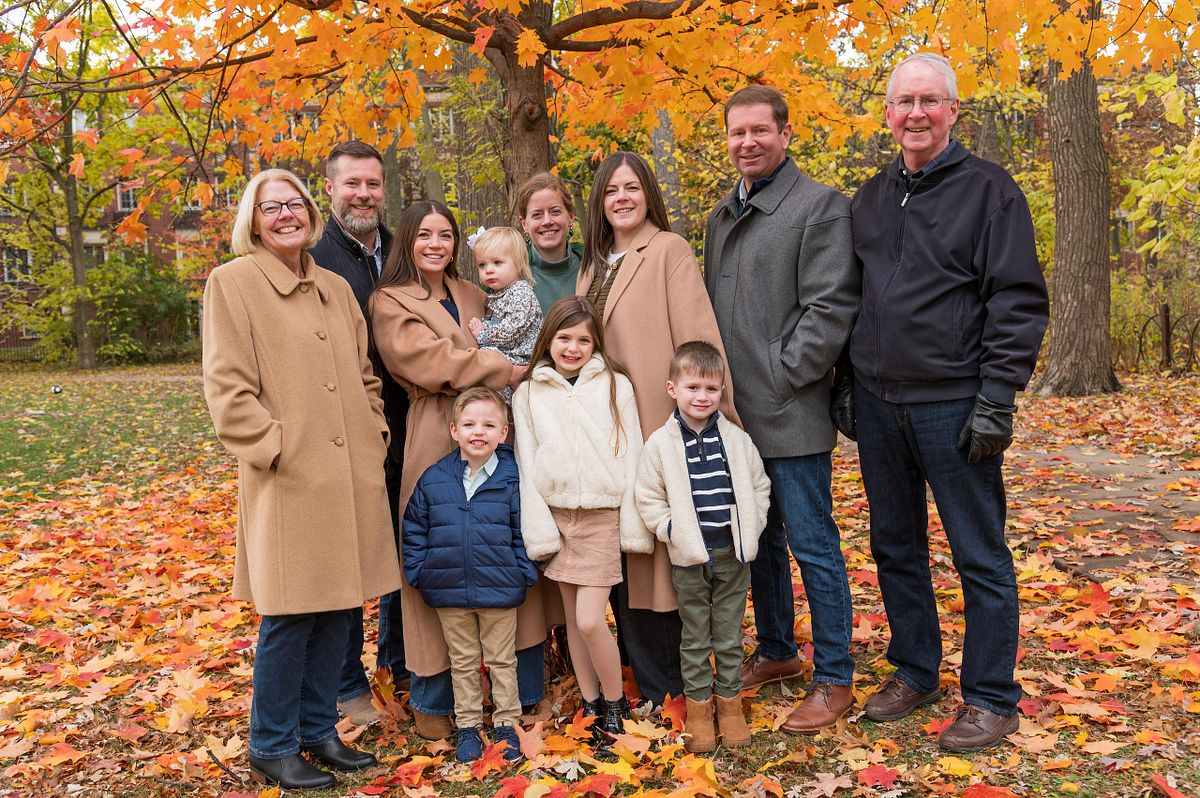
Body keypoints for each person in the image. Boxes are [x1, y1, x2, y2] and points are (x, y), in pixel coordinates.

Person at [843, 52, 1049, 752]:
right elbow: (855, 300)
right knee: (894, 545)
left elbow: (1017, 300)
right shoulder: (870, 198)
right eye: (904, 102)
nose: (917, 114)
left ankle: (992, 697)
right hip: (878, 402)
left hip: (954, 402)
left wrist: (998, 397)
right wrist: (848, 381)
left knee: (978, 553)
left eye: (931, 100)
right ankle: (915, 668)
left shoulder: (991, 192)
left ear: (953, 112)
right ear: (890, 115)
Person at [201, 169, 400, 790]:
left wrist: (374, 439)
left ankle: (318, 732)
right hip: (289, 479)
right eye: (271, 207)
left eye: (294, 204)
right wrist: (274, 449)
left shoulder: (336, 288)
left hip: (349, 477)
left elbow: (367, 378)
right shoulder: (232, 284)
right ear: (253, 220)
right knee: (289, 616)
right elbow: (227, 388)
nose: (286, 215)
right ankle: (271, 742)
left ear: (311, 213)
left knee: (340, 610)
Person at [704, 85, 861, 733]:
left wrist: (778, 375)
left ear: (786, 133)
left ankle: (835, 678)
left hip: (790, 411)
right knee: (757, 544)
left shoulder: (821, 207)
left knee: (813, 543)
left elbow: (830, 311)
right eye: (737, 133)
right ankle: (777, 652)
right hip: (733, 416)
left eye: (759, 131)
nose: (748, 143)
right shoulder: (719, 216)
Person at [368, 200, 548, 742]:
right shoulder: (390, 301)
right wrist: (504, 368)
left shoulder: (476, 293)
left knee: (508, 543)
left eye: (445, 235)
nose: (436, 244)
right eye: (424, 234)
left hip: (499, 429)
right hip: (434, 431)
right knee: (442, 554)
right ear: (407, 240)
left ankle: (523, 696)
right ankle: (435, 702)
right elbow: (431, 362)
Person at [576, 151, 737, 708]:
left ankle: (669, 685)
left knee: (657, 563)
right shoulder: (593, 264)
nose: (621, 198)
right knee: (621, 556)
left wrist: (708, 420)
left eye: (631, 188)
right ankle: (639, 676)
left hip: (657, 426)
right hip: (605, 435)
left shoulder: (667, 251)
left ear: (648, 194)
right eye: (611, 190)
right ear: (598, 201)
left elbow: (698, 340)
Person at [513, 296, 646, 755]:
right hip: (556, 517)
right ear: (548, 339)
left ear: (596, 344)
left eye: (583, 340)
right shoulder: (528, 393)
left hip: (600, 515)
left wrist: (632, 521)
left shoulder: (616, 386)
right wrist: (540, 529)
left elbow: (632, 455)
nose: (572, 348)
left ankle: (615, 706)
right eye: (564, 338)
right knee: (572, 621)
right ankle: (590, 705)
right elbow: (527, 465)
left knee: (591, 619)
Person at [307, 140, 409, 725]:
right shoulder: (316, 258)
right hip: (346, 430)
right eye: (352, 184)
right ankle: (345, 680)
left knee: (399, 555)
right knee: (347, 564)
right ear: (331, 188)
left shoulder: (400, 252)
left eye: (373, 184)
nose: (364, 194)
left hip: (411, 426)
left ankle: (396, 665)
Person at [634, 341, 771, 753]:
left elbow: (760, 487)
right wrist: (672, 528)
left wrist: (753, 524)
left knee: (728, 635)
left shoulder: (736, 440)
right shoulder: (661, 443)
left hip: (732, 554)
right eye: (693, 387)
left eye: (711, 389)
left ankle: (729, 705)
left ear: (721, 392)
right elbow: (647, 496)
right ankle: (698, 708)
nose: (702, 397)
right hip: (690, 557)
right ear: (673, 388)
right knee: (695, 638)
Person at [402, 386, 538, 764]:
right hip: (448, 590)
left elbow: (526, 529)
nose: (479, 432)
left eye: (489, 425)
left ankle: (507, 723)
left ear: (504, 433)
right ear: (454, 430)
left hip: (501, 587)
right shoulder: (434, 478)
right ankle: (468, 727)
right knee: (461, 661)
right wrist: (421, 572)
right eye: (469, 424)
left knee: (502, 660)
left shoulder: (514, 478)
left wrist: (521, 570)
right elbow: (414, 527)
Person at [466, 226, 543, 402]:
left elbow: (512, 331)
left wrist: (483, 333)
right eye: (482, 265)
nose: (489, 270)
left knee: (485, 358)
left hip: (520, 358)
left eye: (497, 263)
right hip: (510, 355)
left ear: (518, 263)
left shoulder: (521, 292)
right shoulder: (500, 293)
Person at [513, 172, 583, 314]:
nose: (547, 221)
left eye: (555, 212)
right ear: (524, 224)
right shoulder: (511, 274)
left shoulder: (592, 266)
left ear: (570, 217)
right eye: (537, 214)